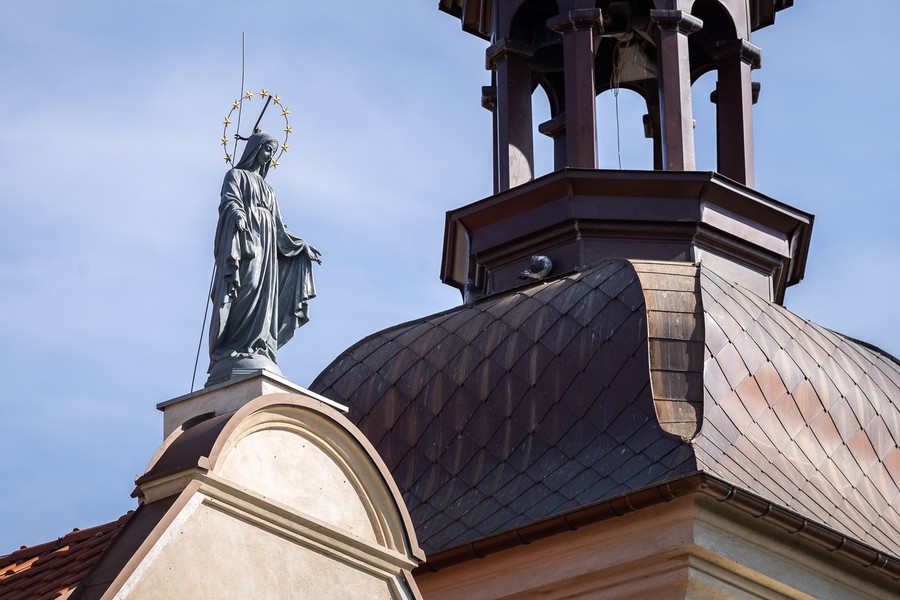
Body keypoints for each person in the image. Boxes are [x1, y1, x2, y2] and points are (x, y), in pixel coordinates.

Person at [207, 132, 320, 385]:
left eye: (272, 152)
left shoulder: (269, 190)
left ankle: (257, 344)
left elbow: (280, 228)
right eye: (267, 149)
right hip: (246, 241)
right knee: (245, 286)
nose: (269, 156)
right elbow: (229, 201)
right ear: (254, 149)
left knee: (265, 296)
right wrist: (237, 215)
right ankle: (232, 345)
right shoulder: (236, 175)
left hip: (267, 245)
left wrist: (301, 246)